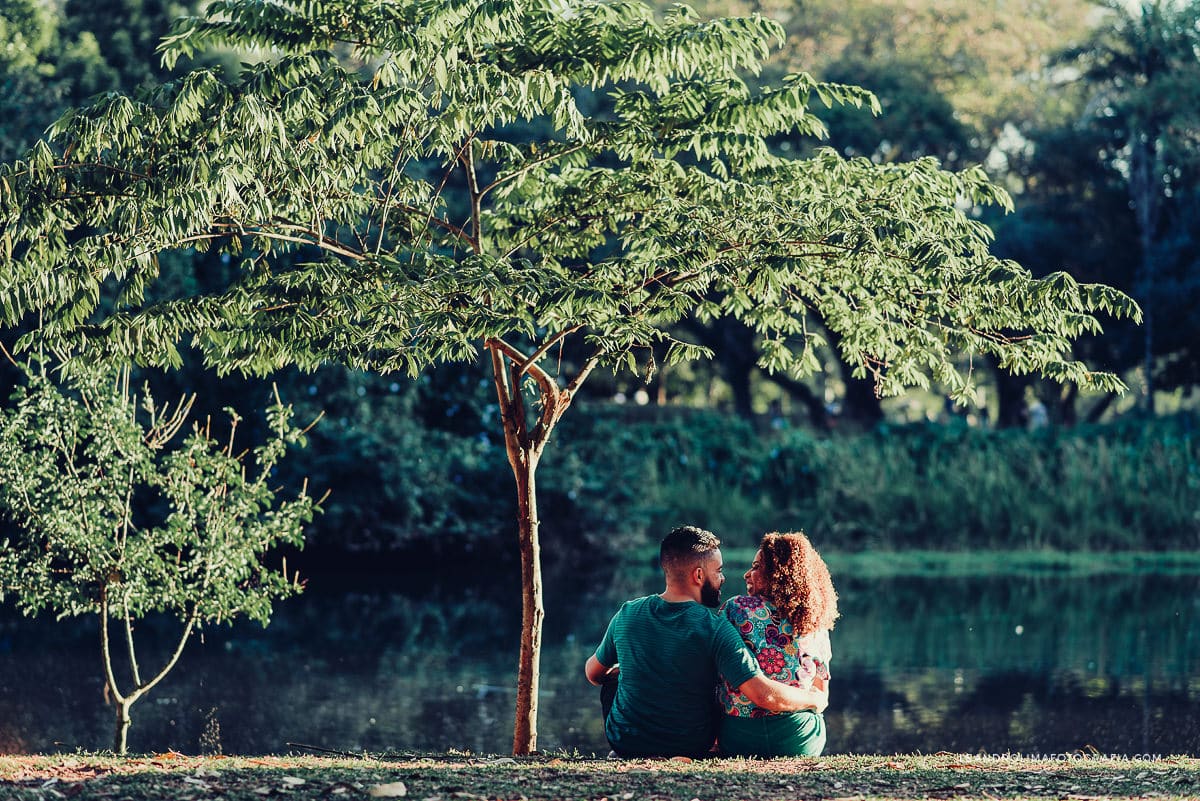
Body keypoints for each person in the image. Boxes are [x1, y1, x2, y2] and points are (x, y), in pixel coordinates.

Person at [584, 525, 827, 758]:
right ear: (699, 575)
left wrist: (627, 671)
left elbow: (592, 673)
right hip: (691, 744)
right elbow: (761, 692)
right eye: (719, 571)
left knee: (614, 682)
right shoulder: (715, 628)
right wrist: (814, 699)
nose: (723, 579)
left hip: (626, 742)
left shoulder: (628, 612)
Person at [716, 531, 839, 757]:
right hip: (800, 738)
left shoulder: (735, 609)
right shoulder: (815, 620)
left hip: (741, 737)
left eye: (755, 567)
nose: (746, 575)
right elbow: (821, 697)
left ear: (778, 574)